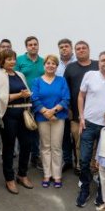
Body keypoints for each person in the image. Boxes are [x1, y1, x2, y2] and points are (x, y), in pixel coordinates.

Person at [76, 51, 105, 207]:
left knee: (104, 161)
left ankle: (102, 192)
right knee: (84, 159)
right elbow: (81, 96)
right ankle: (85, 187)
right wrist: (81, 117)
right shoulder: (90, 75)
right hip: (88, 123)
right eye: (103, 60)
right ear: (99, 62)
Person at [0, 49, 34, 194]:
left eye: (14, 59)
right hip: (8, 114)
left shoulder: (20, 74)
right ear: (2, 61)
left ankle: (22, 174)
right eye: (9, 59)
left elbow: (26, 93)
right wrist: (18, 95)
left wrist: (27, 95)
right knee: (9, 147)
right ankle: (9, 178)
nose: (12, 61)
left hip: (23, 113)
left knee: (27, 145)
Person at [31, 55, 70, 188]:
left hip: (58, 118)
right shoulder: (37, 81)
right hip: (42, 118)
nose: (50, 65)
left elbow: (66, 98)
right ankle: (47, 174)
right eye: (48, 63)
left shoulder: (62, 81)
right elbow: (34, 98)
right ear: (44, 65)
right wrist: (45, 112)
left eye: (53, 63)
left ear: (56, 66)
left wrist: (52, 112)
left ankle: (57, 175)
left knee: (57, 147)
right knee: (45, 147)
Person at [63, 41, 99, 174]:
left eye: (84, 48)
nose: (81, 50)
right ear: (75, 51)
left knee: (94, 143)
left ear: (89, 49)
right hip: (76, 113)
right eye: (78, 49)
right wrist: (68, 109)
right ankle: (79, 166)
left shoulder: (97, 65)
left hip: (95, 113)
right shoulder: (70, 68)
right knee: (78, 141)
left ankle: (92, 167)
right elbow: (65, 89)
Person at [15, 36, 44, 169]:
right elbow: (14, 77)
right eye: (30, 45)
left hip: (39, 101)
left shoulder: (43, 61)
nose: (33, 46)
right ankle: (24, 157)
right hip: (24, 101)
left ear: (38, 46)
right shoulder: (19, 60)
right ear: (26, 47)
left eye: (35, 44)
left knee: (36, 130)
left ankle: (35, 156)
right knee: (25, 129)